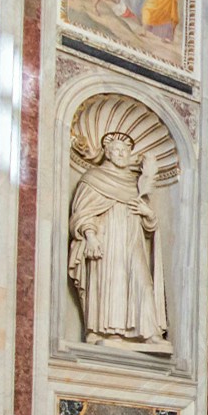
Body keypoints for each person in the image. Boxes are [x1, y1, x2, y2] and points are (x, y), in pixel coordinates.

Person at [68, 132, 168, 349]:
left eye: (125, 151)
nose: (122, 154)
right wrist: (90, 236)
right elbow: (82, 212)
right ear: (107, 152)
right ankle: (107, 331)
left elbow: (150, 230)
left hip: (133, 243)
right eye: (117, 150)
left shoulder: (135, 185)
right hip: (107, 241)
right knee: (112, 283)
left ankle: (148, 331)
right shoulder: (94, 178)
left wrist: (148, 214)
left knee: (143, 282)